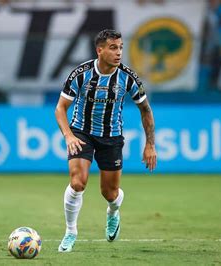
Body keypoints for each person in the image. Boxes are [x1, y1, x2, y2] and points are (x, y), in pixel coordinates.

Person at [54, 29, 157, 252]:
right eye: (113, 48)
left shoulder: (128, 77)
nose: (119, 52)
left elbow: (146, 111)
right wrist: (69, 135)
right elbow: (60, 108)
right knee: (77, 182)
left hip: (111, 136)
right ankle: (70, 232)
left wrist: (150, 144)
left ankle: (113, 211)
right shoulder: (80, 74)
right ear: (99, 50)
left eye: (120, 47)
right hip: (82, 132)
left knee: (109, 193)